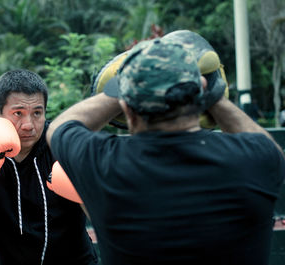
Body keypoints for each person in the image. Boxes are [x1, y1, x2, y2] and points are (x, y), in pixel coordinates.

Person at [46, 38, 285, 265]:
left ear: (126, 108)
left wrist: (122, 86)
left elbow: (59, 127)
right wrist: (213, 92)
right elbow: (268, 147)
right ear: (199, 91)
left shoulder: (103, 163)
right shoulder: (255, 159)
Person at [0, 69, 98, 265]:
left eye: (37, 113)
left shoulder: (62, 145)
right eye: (18, 113)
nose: (28, 125)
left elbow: (105, 221)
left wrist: (83, 189)